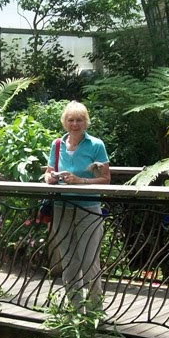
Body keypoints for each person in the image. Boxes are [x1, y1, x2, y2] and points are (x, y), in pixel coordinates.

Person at [43, 100, 111, 311]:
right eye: (71, 120)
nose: (75, 124)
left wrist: (81, 181)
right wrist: (51, 178)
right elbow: (48, 171)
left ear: (85, 122)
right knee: (69, 260)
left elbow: (106, 179)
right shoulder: (57, 145)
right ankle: (74, 310)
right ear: (65, 122)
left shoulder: (96, 145)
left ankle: (94, 311)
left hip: (88, 207)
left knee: (90, 261)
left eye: (79, 120)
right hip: (62, 207)